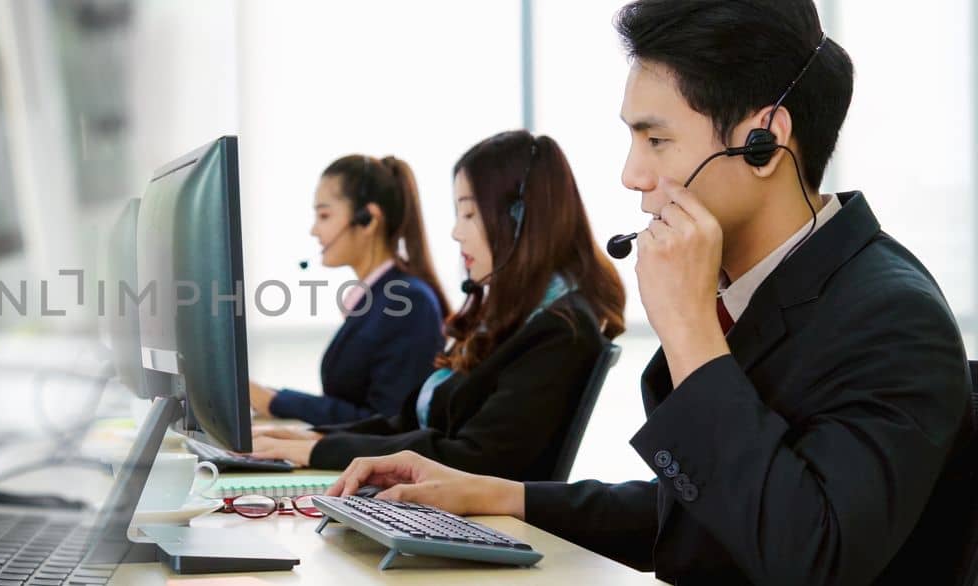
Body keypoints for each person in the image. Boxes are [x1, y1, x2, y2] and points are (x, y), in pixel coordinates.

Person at [325, 2, 974, 584]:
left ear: (763, 142)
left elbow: (809, 554)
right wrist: (494, 494)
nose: (632, 176)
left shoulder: (891, 317)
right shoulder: (754, 288)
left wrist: (691, 330)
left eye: (656, 139)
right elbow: (701, 508)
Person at [249, 131, 626, 477]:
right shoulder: (505, 320)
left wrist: (319, 450)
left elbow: (471, 457)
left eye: (469, 213)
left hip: (483, 528)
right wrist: (316, 439)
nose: (455, 231)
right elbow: (407, 422)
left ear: (521, 219)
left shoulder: (559, 329)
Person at [247, 154, 449, 426]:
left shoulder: (408, 301)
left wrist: (277, 402)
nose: (314, 230)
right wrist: (273, 399)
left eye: (324, 215)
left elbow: (388, 422)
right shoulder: (377, 298)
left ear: (368, 219)